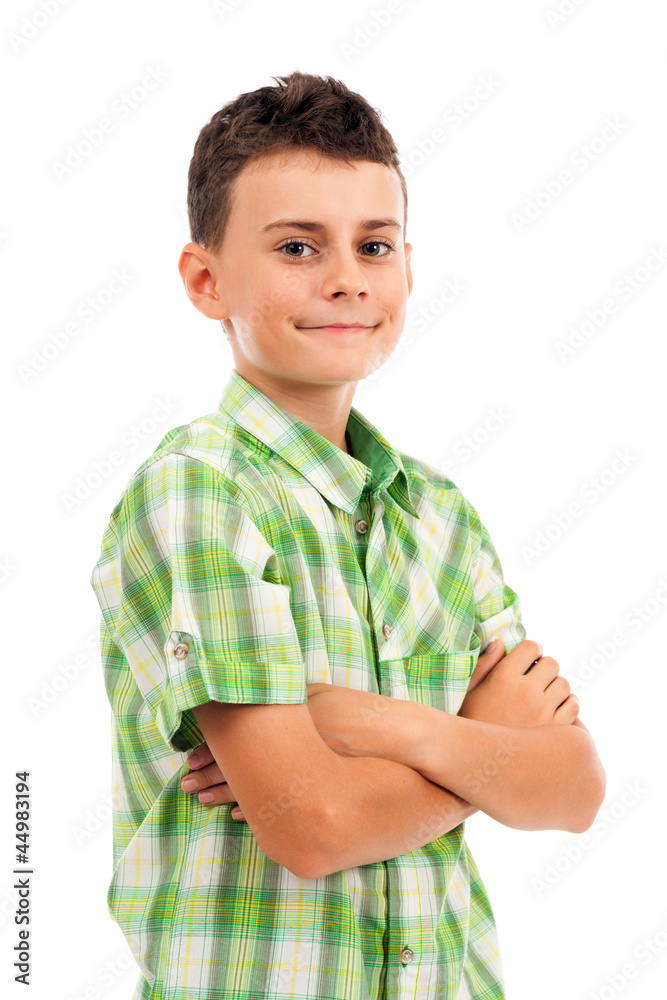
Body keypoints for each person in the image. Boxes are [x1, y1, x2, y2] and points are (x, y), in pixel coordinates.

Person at [90, 71, 606, 1000]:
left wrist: (378, 724)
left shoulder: (439, 515)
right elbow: (311, 823)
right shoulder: (201, 490)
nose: (344, 278)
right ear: (206, 280)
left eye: (373, 245)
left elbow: (573, 792)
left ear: (407, 267)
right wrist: (483, 751)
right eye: (297, 246)